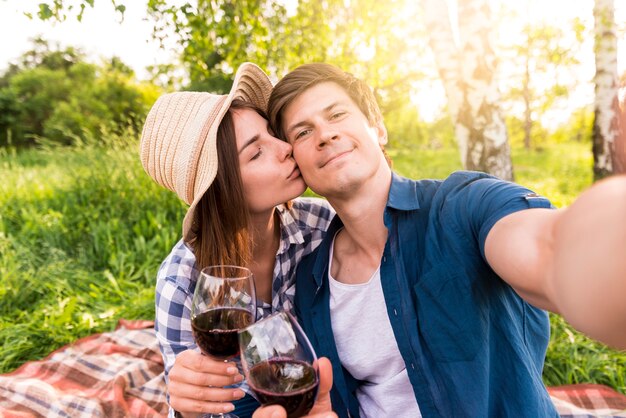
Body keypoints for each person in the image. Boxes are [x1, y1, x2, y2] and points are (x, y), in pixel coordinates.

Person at [261, 62, 626, 418]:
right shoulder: (312, 279)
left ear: (378, 129)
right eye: (303, 132)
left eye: (337, 114)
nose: (325, 134)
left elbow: (547, 247)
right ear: (296, 162)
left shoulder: (461, 207)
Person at [138, 63, 335, 418]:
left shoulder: (320, 226)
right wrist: (187, 403)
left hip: (321, 394)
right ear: (222, 190)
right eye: (256, 152)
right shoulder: (181, 281)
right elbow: (194, 404)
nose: (286, 147)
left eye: (273, 134)